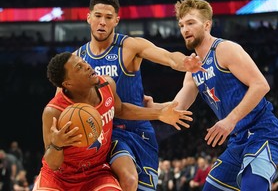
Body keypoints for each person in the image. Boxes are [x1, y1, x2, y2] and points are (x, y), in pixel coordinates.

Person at [149, 0, 278, 191]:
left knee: (252, 185)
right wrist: (151, 107)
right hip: (238, 140)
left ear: (207, 25)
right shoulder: (193, 67)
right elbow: (178, 106)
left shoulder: (225, 49)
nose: (185, 29)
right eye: (181, 25)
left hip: (263, 132)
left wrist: (230, 121)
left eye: (190, 23)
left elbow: (261, 85)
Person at [73, 0, 203, 191]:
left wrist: (185, 62)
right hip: (106, 134)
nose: (102, 22)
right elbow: (62, 102)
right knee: (127, 180)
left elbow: (169, 57)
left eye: (108, 17)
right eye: (98, 16)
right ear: (88, 17)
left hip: (139, 131)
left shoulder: (129, 46)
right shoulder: (77, 60)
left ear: (116, 20)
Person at [33, 52, 192, 191]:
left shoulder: (106, 85)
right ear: (67, 84)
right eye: (79, 68)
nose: (87, 66)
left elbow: (121, 109)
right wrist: (57, 144)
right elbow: (53, 164)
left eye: (83, 62)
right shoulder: (54, 111)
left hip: (95, 173)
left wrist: (158, 113)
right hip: (60, 178)